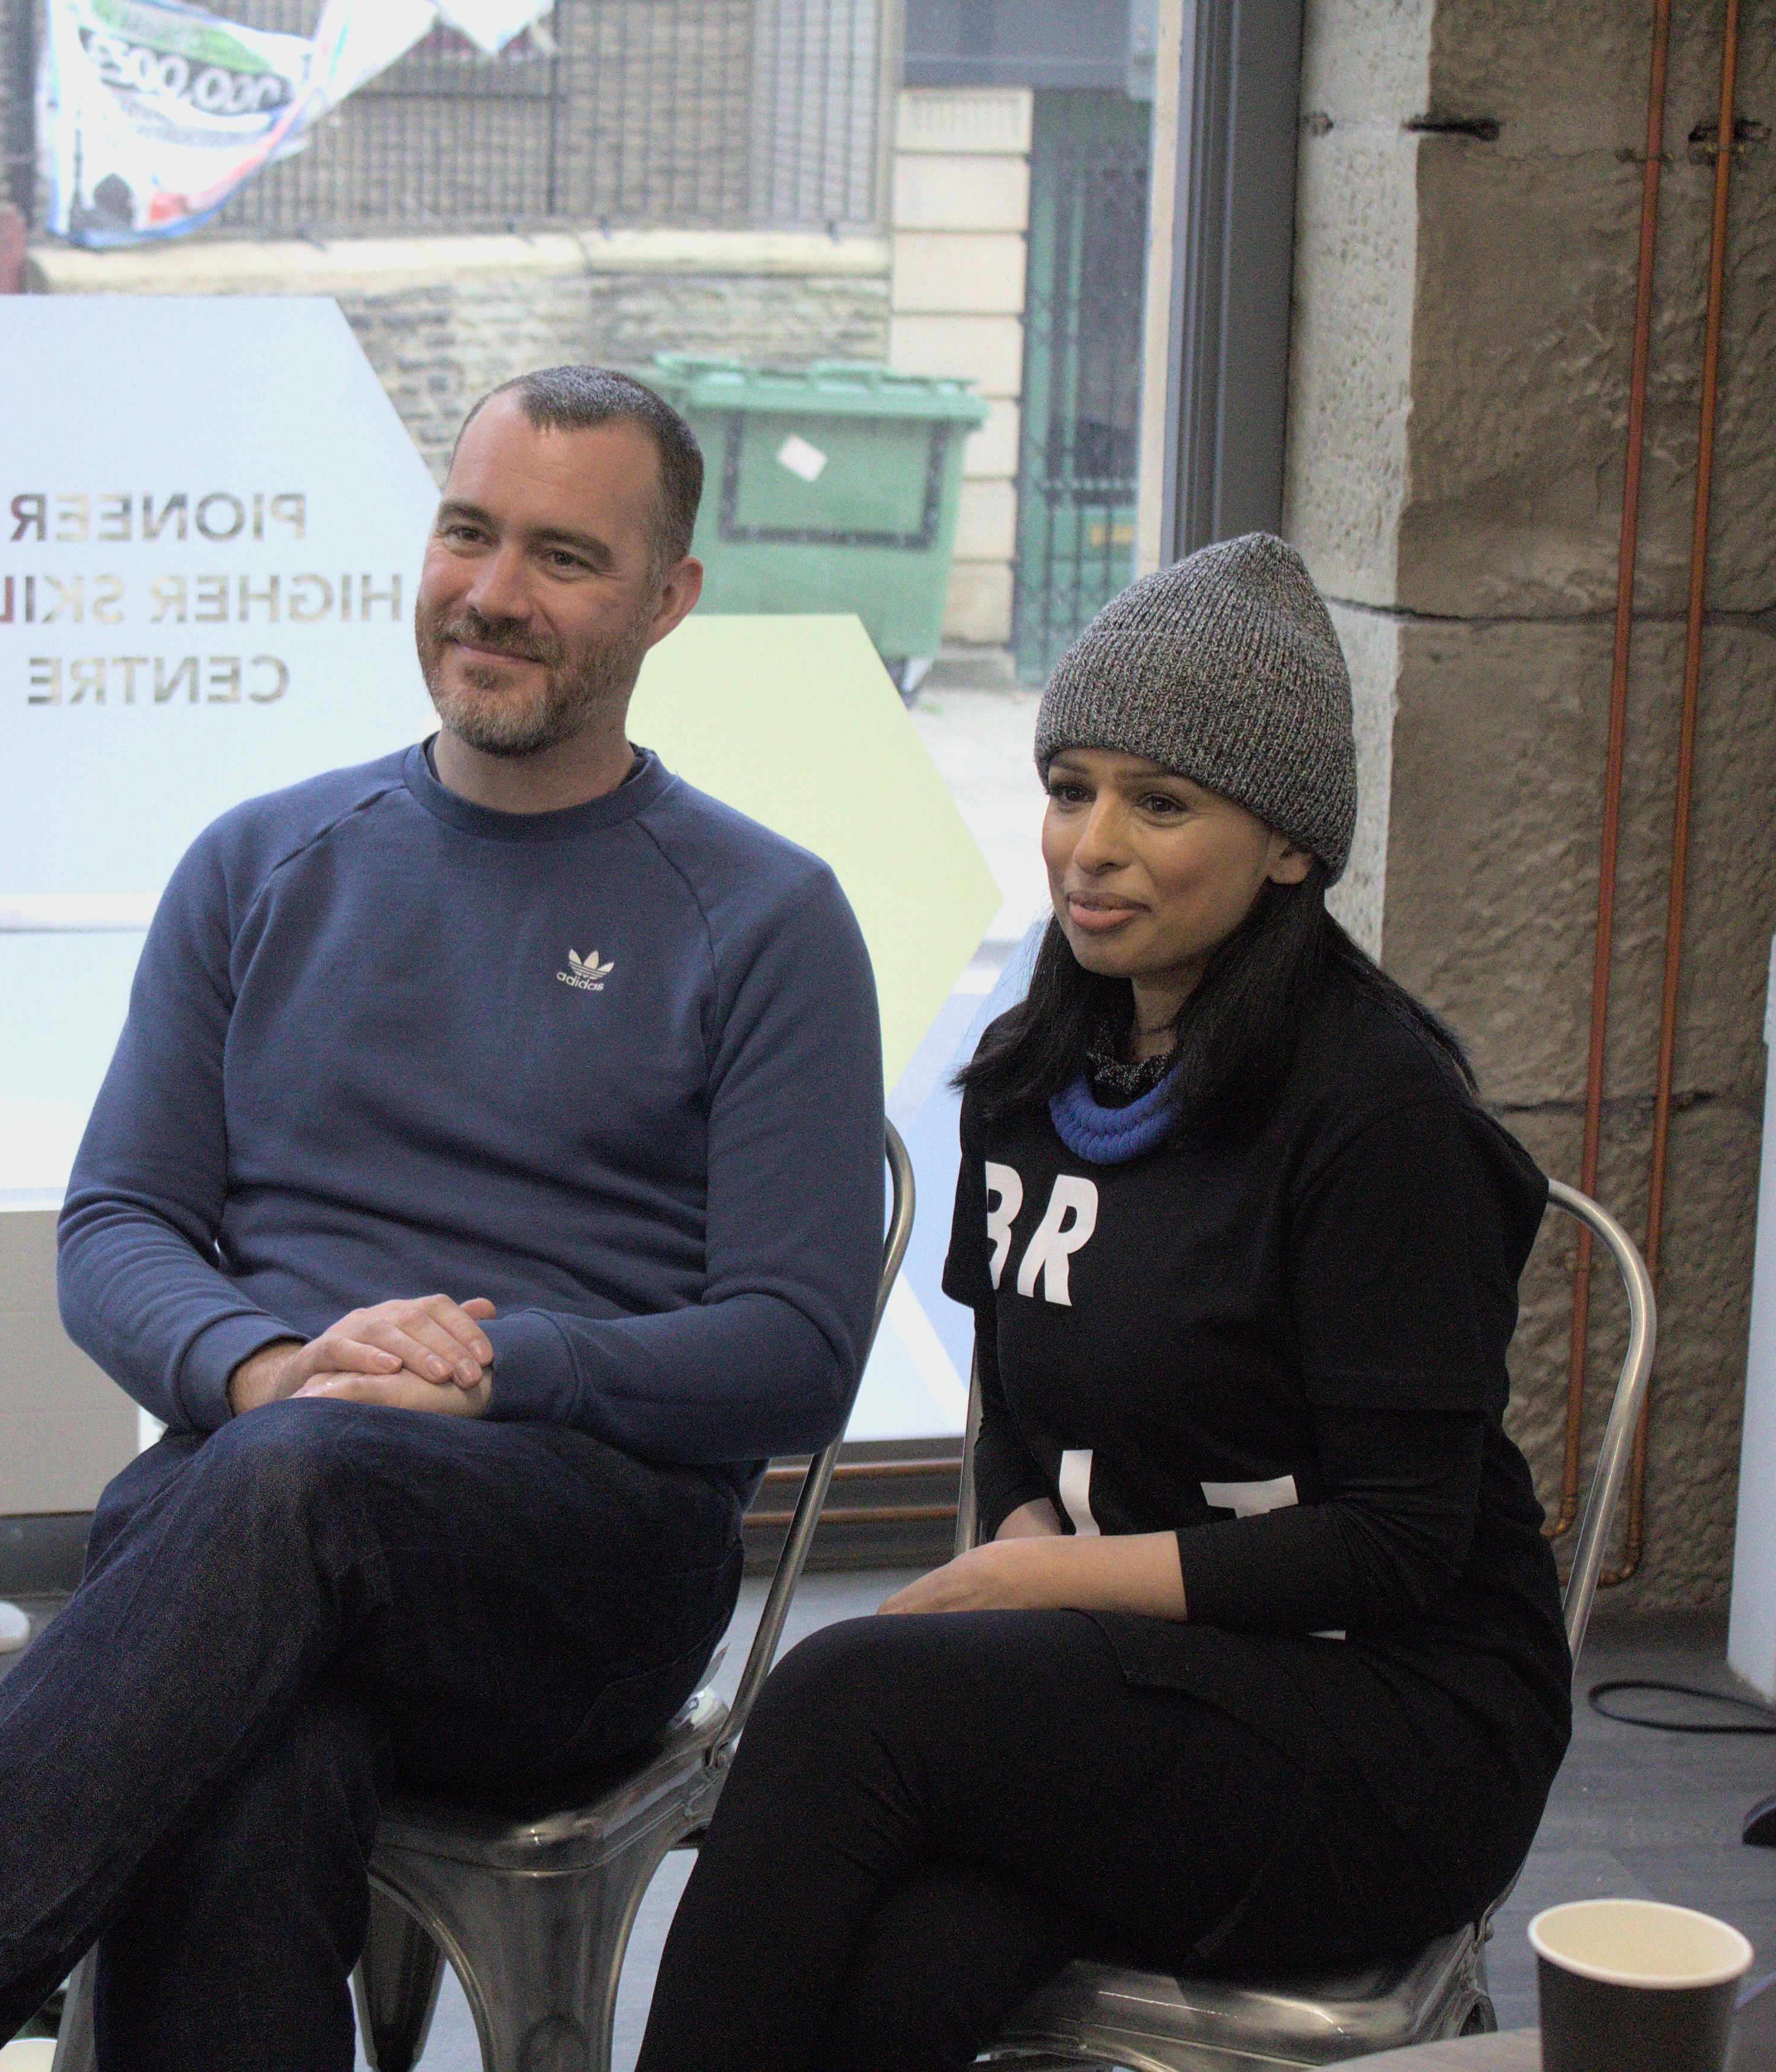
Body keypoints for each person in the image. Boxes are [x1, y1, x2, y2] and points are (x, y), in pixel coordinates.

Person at [0, 366, 887, 2072]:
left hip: (576, 1571)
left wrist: (499, 1369)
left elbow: (795, 1350)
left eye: (561, 556)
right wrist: (271, 1366)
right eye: (465, 530)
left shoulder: (763, 912)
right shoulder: (265, 859)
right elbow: (117, 1223)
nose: (490, 591)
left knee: (279, 1499)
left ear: (667, 600)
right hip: (254, 1520)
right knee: (247, 1739)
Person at [632, 532, 1572, 2072]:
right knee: (901, 1968)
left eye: (1162, 802)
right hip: (1156, 1694)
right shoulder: (1036, 1071)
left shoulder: (1377, 1113)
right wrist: (1017, 1537)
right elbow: (1017, 1401)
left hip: (1395, 1724)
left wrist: (1046, 1590)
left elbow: (1402, 1544)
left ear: (1287, 846)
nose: (1092, 846)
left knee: (839, 1698)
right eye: (1071, 787)